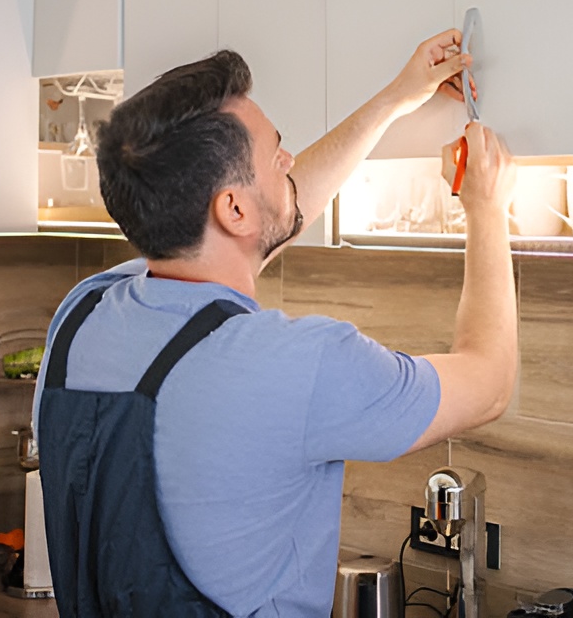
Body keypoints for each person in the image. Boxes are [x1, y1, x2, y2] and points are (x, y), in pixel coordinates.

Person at [31, 30, 518, 618]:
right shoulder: (300, 362)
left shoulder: (82, 314)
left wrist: (394, 100)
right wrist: (486, 207)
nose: (289, 161)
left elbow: (256, 226)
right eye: (276, 153)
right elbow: (489, 383)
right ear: (233, 208)